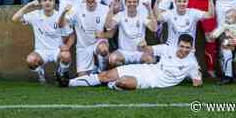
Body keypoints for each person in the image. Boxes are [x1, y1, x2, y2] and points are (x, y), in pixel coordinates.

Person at [61, 34, 202, 90]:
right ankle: (68, 82)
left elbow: (197, 82)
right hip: (144, 69)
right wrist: (143, 45)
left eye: (187, 48)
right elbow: (148, 49)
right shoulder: (167, 49)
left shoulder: (192, 64)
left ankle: (113, 85)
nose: (184, 50)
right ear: (178, 45)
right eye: (182, 46)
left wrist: (197, 76)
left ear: (192, 48)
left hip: (151, 82)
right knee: (105, 75)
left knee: (122, 82)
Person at [11, 0, 73, 84]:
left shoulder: (60, 16)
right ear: (40, 3)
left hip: (57, 50)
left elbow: (71, 35)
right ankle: (40, 72)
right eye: (44, 0)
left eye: (50, 0)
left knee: (66, 56)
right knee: (30, 60)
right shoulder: (35, 14)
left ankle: (61, 73)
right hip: (41, 51)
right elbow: (14, 19)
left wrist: (67, 47)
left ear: (54, 2)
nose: (47, 2)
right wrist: (29, 5)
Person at [58, 0, 113, 76]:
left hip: (98, 43)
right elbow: (61, 25)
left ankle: (101, 71)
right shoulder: (76, 9)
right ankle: (93, 70)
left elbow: (110, 30)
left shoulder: (105, 9)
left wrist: (103, 35)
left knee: (103, 49)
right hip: (83, 47)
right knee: (82, 76)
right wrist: (64, 12)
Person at [105, 0, 157, 68]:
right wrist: (112, 7)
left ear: (138, 3)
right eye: (129, 2)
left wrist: (149, 9)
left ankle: (136, 71)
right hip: (123, 52)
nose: (132, 4)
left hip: (139, 52)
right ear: (125, 3)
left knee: (152, 60)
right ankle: (125, 70)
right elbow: (108, 26)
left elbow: (154, 28)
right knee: (112, 59)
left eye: (134, 2)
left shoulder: (142, 15)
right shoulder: (121, 15)